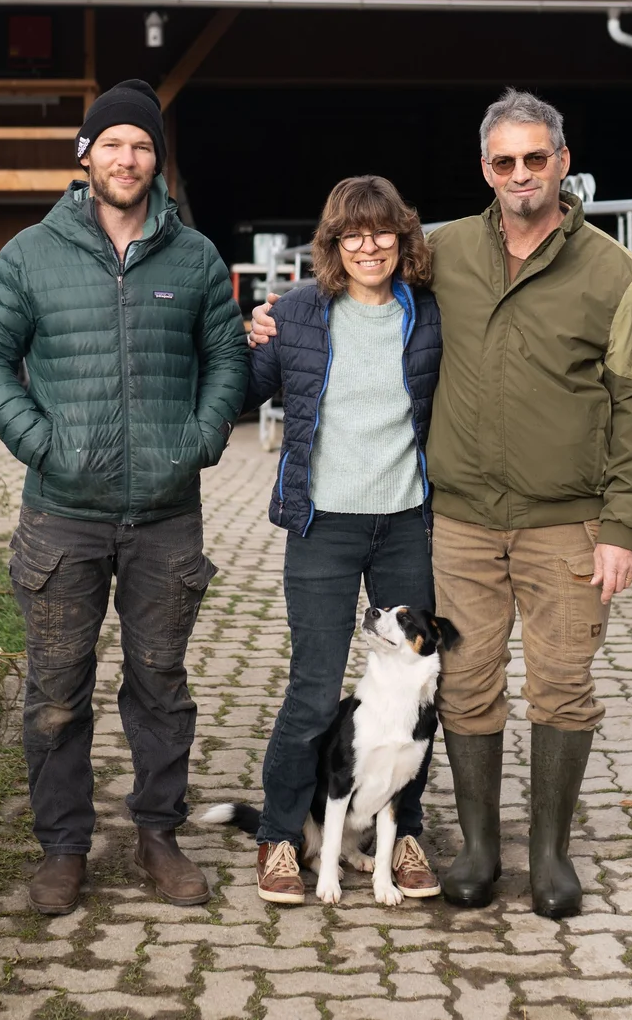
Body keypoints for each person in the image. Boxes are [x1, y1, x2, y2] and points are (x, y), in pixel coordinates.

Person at [249, 89, 632, 919]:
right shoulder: (445, 257)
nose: (521, 173)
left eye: (536, 157)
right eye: (505, 160)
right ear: (485, 168)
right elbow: (300, 335)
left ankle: (543, 854)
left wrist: (624, 526)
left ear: (562, 160)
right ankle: (460, 848)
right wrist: (259, 327)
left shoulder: (615, 274)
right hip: (453, 520)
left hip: (552, 518)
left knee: (559, 683)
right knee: (449, 684)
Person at [0, 77, 249, 916]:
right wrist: (43, 442)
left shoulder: (193, 257)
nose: (128, 158)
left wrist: (200, 438)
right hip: (62, 517)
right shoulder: (31, 254)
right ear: (85, 154)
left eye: (143, 145)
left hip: (166, 515)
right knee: (57, 691)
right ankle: (63, 847)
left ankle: (159, 836)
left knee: (161, 684)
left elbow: (228, 357)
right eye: (113, 143)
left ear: (158, 159)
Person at [240, 175, 444, 906]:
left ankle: (405, 830)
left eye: (382, 230)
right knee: (315, 689)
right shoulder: (298, 312)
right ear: (331, 243)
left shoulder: (427, 312)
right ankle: (278, 835)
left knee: (418, 687)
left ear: (402, 237)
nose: (368, 246)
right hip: (323, 524)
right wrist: (244, 331)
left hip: (405, 522)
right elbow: (242, 389)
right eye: (351, 234)